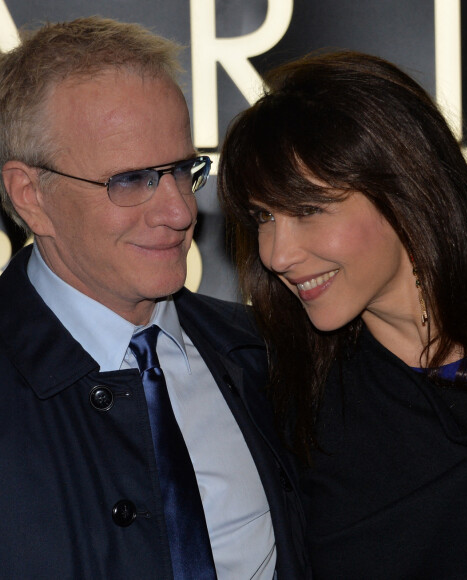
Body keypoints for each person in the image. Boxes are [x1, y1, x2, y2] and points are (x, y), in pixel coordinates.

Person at [218, 50, 467, 578]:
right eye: (263, 218)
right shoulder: (302, 416)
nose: (275, 254)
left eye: (308, 210)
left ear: (404, 189)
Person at [0, 17, 308, 579]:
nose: (180, 212)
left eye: (182, 170)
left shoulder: (264, 354)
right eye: (132, 180)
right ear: (31, 196)